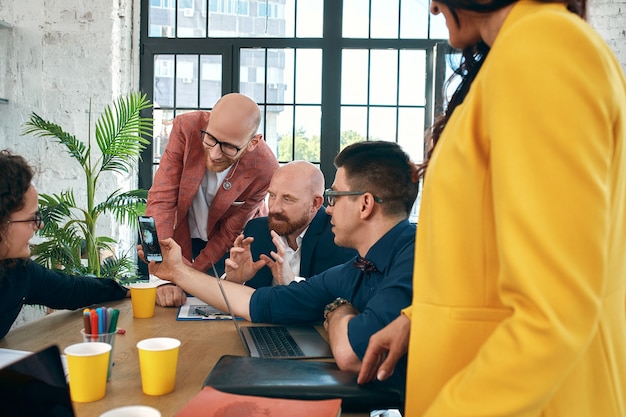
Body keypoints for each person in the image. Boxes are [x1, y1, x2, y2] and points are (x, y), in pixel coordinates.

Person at [357, 1, 626, 416]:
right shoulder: (522, 51)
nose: (432, 6)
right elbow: (486, 258)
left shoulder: (543, 48)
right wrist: (418, 318)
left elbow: (555, 312)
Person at [140, 140, 419, 393]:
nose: (330, 208)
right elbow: (256, 302)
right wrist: (177, 271)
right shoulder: (357, 267)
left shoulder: (415, 255)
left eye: (336, 196)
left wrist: (337, 309)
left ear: (365, 204)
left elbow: (351, 354)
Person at [146, 93, 279, 305]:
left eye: (229, 147)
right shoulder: (186, 128)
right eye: (210, 139)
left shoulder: (266, 168)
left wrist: (188, 274)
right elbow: (161, 198)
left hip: (222, 250)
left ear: (253, 142)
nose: (215, 154)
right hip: (178, 238)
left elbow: (230, 231)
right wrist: (160, 271)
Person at [0, 150, 128, 340]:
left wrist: (125, 291)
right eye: (32, 218)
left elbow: (71, 289)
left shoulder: (17, 271)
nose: (40, 225)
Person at [224, 160, 357, 288]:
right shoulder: (256, 230)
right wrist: (234, 282)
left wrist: (292, 282)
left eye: (287, 199)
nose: (274, 208)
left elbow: (339, 298)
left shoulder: (340, 238)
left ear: (315, 203)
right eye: (272, 196)